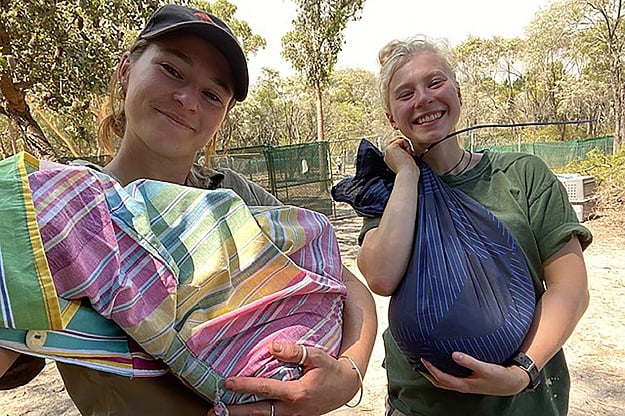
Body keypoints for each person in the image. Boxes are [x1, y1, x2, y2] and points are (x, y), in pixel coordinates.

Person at [0, 4, 376, 416]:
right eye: (172, 70)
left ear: (223, 118)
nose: (187, 100)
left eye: (212, 94)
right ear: (126, 70)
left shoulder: (234, 195)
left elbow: (345, 282)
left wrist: (348, 375)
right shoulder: (61, 207)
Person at [351, 36, 591, 415]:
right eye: (405, 93)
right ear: (391, 119)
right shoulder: (392, 190)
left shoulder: (522, 175)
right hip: (421, 404)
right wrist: (409, 174)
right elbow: (381, 277)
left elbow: (570, 288)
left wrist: (520, 371)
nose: (423, 98)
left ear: (458, 94)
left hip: (521, 402)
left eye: (435, 82)